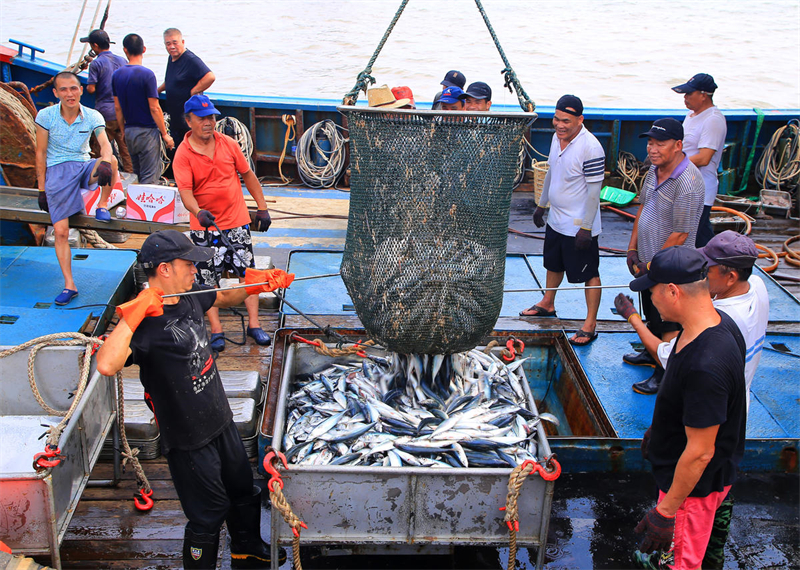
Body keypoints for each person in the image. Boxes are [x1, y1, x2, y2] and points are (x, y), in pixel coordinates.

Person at [95, 230, 292, 569]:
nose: (194, 271)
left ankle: (245, 548)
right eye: (188, 264)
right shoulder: (143, 326)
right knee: (208, 512)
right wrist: (134, 314)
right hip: (188, 439)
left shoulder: (188, 296)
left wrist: (261, 285)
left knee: (242, 488)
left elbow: (222, 297)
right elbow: (106, 364)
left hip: (220, 420)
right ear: (165, 269)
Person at [617, 231, 769, 570]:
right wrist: (661, 431)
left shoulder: (706, 365)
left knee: (681, 564)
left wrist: (667, 511)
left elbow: (701, 451)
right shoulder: (718, 322)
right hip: (691, 477)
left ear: (673, 291)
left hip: (691, 493)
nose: (651, 301)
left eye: (652, 293)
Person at [173, 94, 273, 351]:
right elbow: (185, 192)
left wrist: (262, 208)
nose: (209, 122)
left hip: (237, 220)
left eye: (212, 117)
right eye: (202, 118)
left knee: (246, 275)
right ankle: (216, 329)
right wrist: (198, 212)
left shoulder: (229, 144)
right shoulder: (183, 154)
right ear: (189, 121)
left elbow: (248, 175)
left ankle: (254, 324)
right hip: (205, 225)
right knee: (207, 279)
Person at [623, 118, 704, 394]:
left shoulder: (688, 183)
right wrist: (633, 248)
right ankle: (651, 350)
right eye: (650, 142)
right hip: (648, 260)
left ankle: (664, 371)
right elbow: (643, 208)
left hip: (669, 266)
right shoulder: (653, 171)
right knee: (652, 309)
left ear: (678, 145)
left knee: (669, 318)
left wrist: (652, 265)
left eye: (660, 143)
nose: (652, 149)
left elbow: (681, 234)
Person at [521, 95, 605, 346]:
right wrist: (542, 204)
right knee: (553, 263)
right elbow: (551, 172)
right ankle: (548, 302)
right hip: (556, 219)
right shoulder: (557, 139)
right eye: (556, 119)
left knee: (589, 272)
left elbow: (594, 192)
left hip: (579, 225)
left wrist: (586, 229)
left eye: (566, 121)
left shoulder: (591, 148)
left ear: (580, 120)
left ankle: (590, 323)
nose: (559, 125)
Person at [35, 71, 119, 305]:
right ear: (56, 93)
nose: (69, 94)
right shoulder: (46, 116)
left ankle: (102, 204)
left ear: (81, 89)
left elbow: (105, 144)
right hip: (57, 172)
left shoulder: (93, 115)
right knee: (61, 232)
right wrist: (42, 189)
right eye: (63, 89)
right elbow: (40, 153)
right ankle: (69, 285)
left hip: (83, 166)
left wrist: (104, 162)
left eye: (74, 88)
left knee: (110, 161)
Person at [672, 73, 727, 247]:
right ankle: (716, 263)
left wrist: (671, 163)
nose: (685, 98)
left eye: (690, 94)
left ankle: (716, 265)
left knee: (694, 234)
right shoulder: (691, 115)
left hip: (700, 189)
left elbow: (704, 158)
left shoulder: (713, 120)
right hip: (685, 183)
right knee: (699, 233)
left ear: (704, 95)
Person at [112, 33, 174, 184]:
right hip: (147, 133)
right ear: (144, 49)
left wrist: (123, 131)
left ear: (125, 50)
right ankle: (147, 206)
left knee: (137, 174)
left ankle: (136, 205)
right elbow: (154, 108)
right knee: (150, 178)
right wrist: (165, 135)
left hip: (130, 132)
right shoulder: (147, 75)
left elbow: (117, 107)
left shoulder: (116, 75)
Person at [81, 29, 133, 173]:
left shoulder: (96, 64)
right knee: (125, 149)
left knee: (99, 148)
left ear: (95, 46)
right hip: (122, 112)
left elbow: (91, 89)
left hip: (105, 114)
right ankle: (130, 176)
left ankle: (101, 175)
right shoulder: (123, 60)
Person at [159, 28, 215, 149]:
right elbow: (170, 80)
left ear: (183, 42)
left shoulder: (191, 59)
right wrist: (157, 90)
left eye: (175, 42)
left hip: (189, 119)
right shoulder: (172, 58)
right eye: (168, 44)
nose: (172, 47)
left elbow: (210, 77)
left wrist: (194, 91)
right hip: (175, 118)